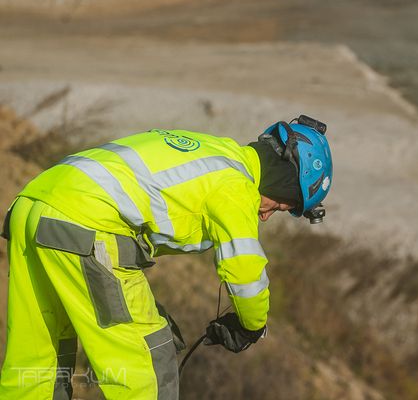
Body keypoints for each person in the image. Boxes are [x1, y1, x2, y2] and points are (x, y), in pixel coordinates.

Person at [0, 116, 333, 399]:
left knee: (37, 356)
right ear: (284, 180)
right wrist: (252, 326)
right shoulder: (237, 185)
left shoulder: (214, 150)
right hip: (86, 225)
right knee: (147, 365)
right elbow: (245, 270)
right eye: (278, 206)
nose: (265, 216)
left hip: (32, 206)